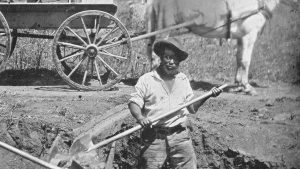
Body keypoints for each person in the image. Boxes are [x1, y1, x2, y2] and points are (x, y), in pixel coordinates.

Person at [128, 37, 222, 169]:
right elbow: (134, 102)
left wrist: (208, 95)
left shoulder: (182, 79)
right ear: (161, 57)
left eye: (175, 58)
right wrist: (140, 117)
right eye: (167, 57)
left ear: (179, 60)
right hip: (154, 137)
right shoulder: (147, 80)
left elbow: (191, 108)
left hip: (180, 136)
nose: (171, 62)